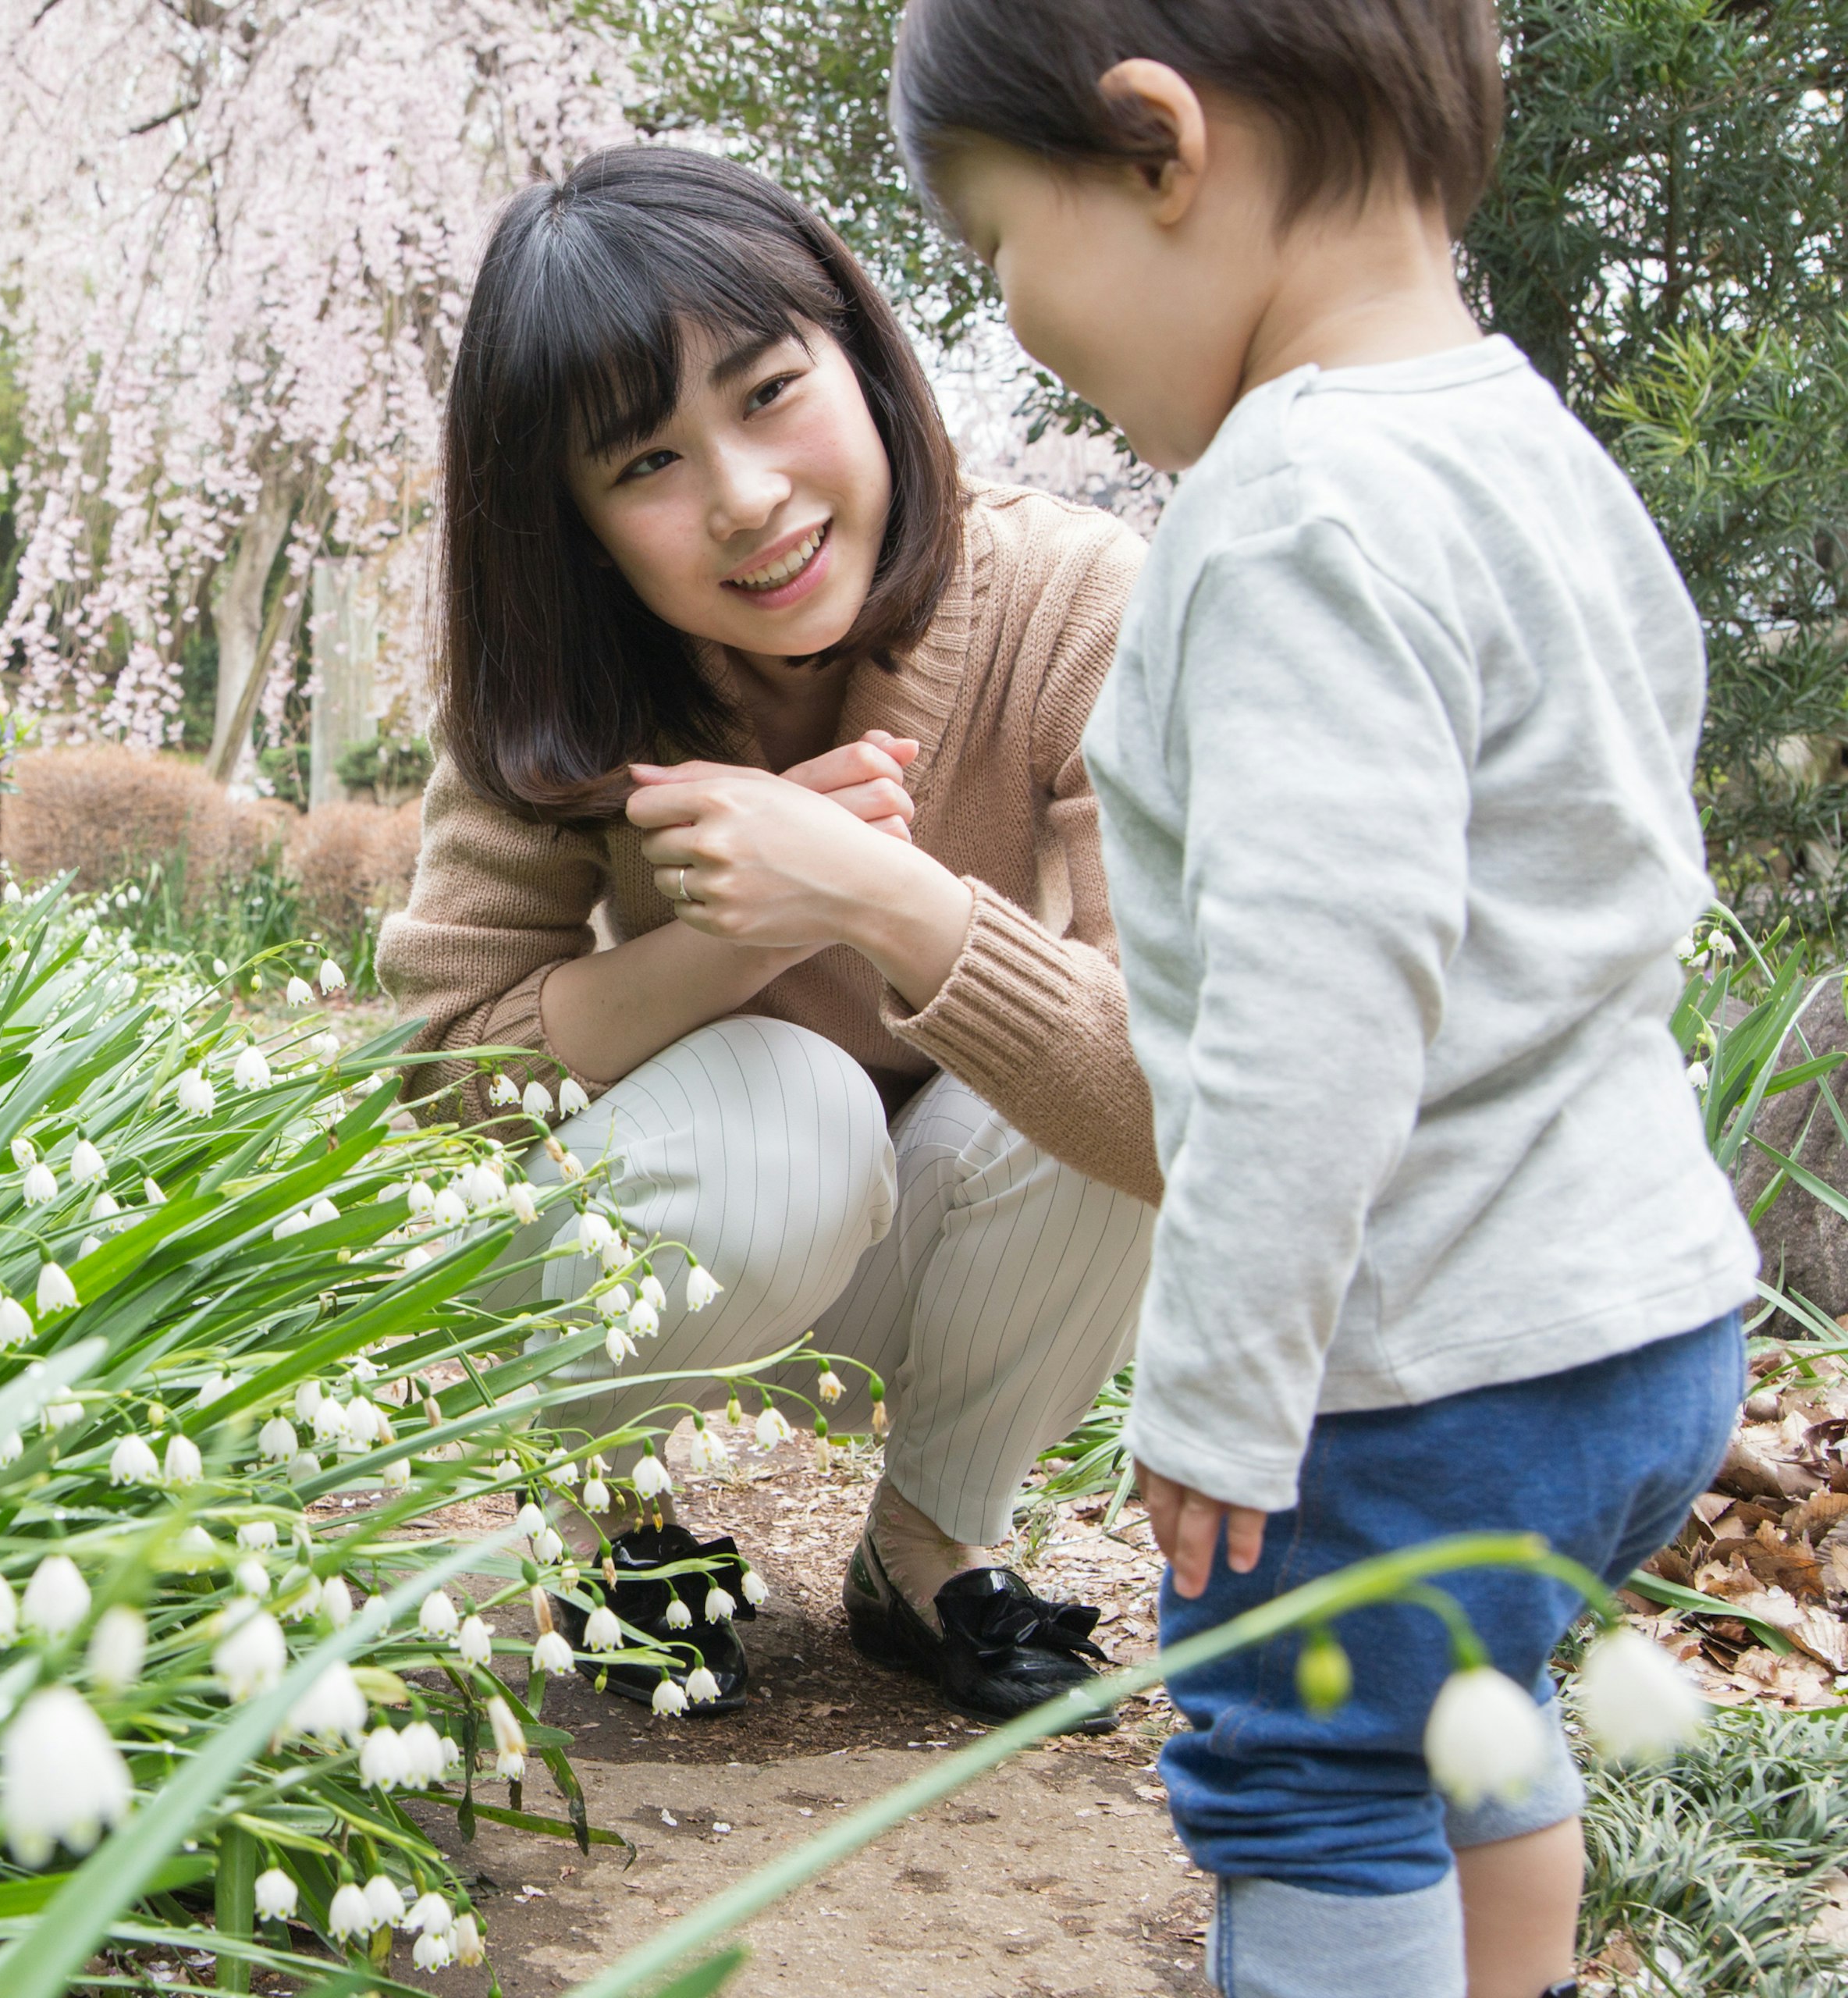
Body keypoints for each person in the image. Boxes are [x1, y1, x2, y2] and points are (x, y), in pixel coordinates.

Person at [886, 3, 1757, 1994]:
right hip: (1640, 1320)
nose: (1013, 316)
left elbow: (1315, 1001)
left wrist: (1221, 1381)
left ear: (1158, 148)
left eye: (1002, 243)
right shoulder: (1530, 447)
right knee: (1463, 1697)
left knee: (1314, 1770)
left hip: (1422, 1352)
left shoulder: (1293, 511)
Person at [377, 144, 1160, 1731]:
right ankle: (612, 1511)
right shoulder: (564, 691)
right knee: (788, 1106)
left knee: (1079, 1077)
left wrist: (879, 895)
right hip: (701, 1243)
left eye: (768, 390)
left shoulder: (1079, 602)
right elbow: (445, 1069)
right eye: (645, 464)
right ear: (576, 526)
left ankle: (934, 1539)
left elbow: (1182, 1103)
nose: (746, 496)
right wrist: (731, 938)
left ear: (867, 363)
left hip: (949, 1256)